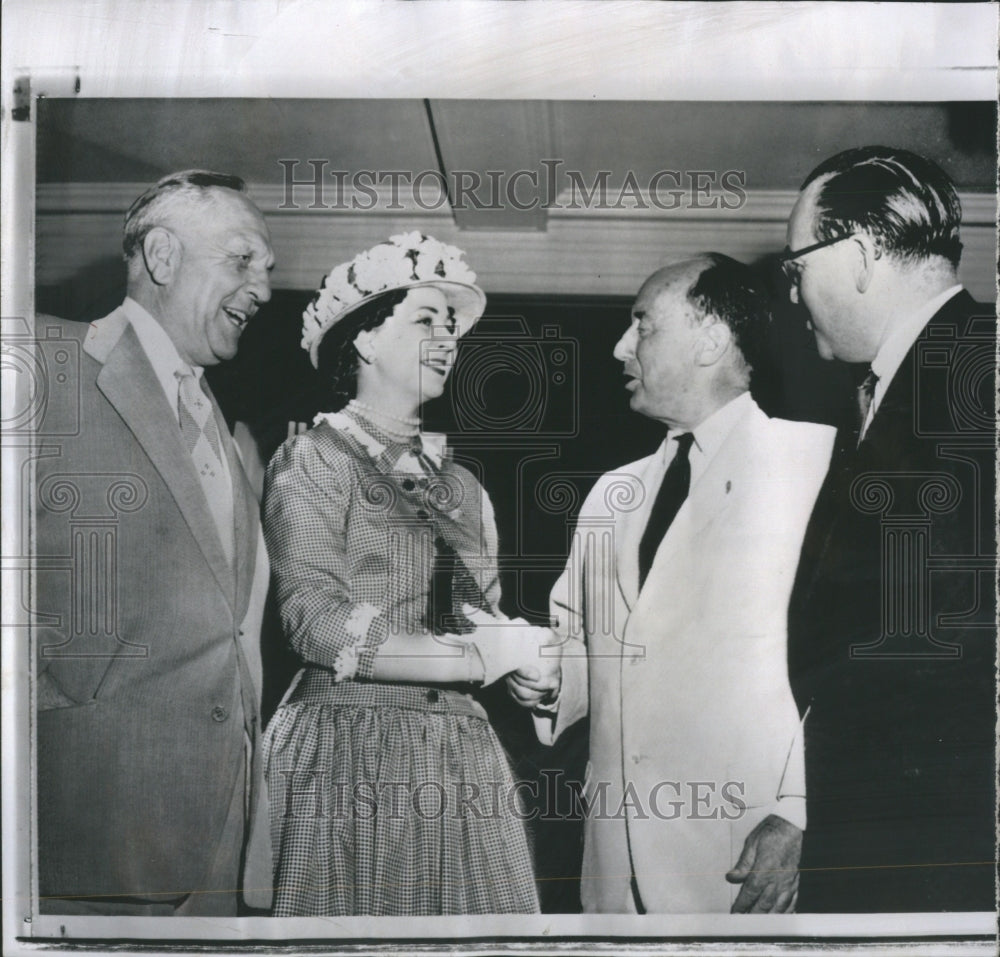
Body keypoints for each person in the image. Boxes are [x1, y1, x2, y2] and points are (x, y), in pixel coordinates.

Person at [510, 254, 835, 913]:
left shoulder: (815, 465)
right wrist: (548, 680)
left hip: (742, 858)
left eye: (642, 325)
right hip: (613, 874)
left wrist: (801, 813)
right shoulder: (610, 494)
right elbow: (586, 650)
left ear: (712, 337)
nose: (619, 346)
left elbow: (843, 666)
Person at [262, 232, 547, 916]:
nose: (448, 338)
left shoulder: (464, 486)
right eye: (426, 319)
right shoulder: (313, 457)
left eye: (453, 326)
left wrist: (530, 670)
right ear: (363, 340)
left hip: (461, 753)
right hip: (349, 746)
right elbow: (314, 619)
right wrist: (476, 656)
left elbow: (479, 621)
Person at [34, 170, 275, 915]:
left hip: (221, 846)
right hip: (90, 837)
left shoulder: (233, 438)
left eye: (268, 273)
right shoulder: (42, 363)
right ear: (162, 258)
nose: (262, 289)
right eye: (242, 261)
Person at [782, 146, 996, 912]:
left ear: (861, 254)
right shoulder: (909, 383)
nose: (796, 294)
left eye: (796, 265)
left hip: (940, 847)